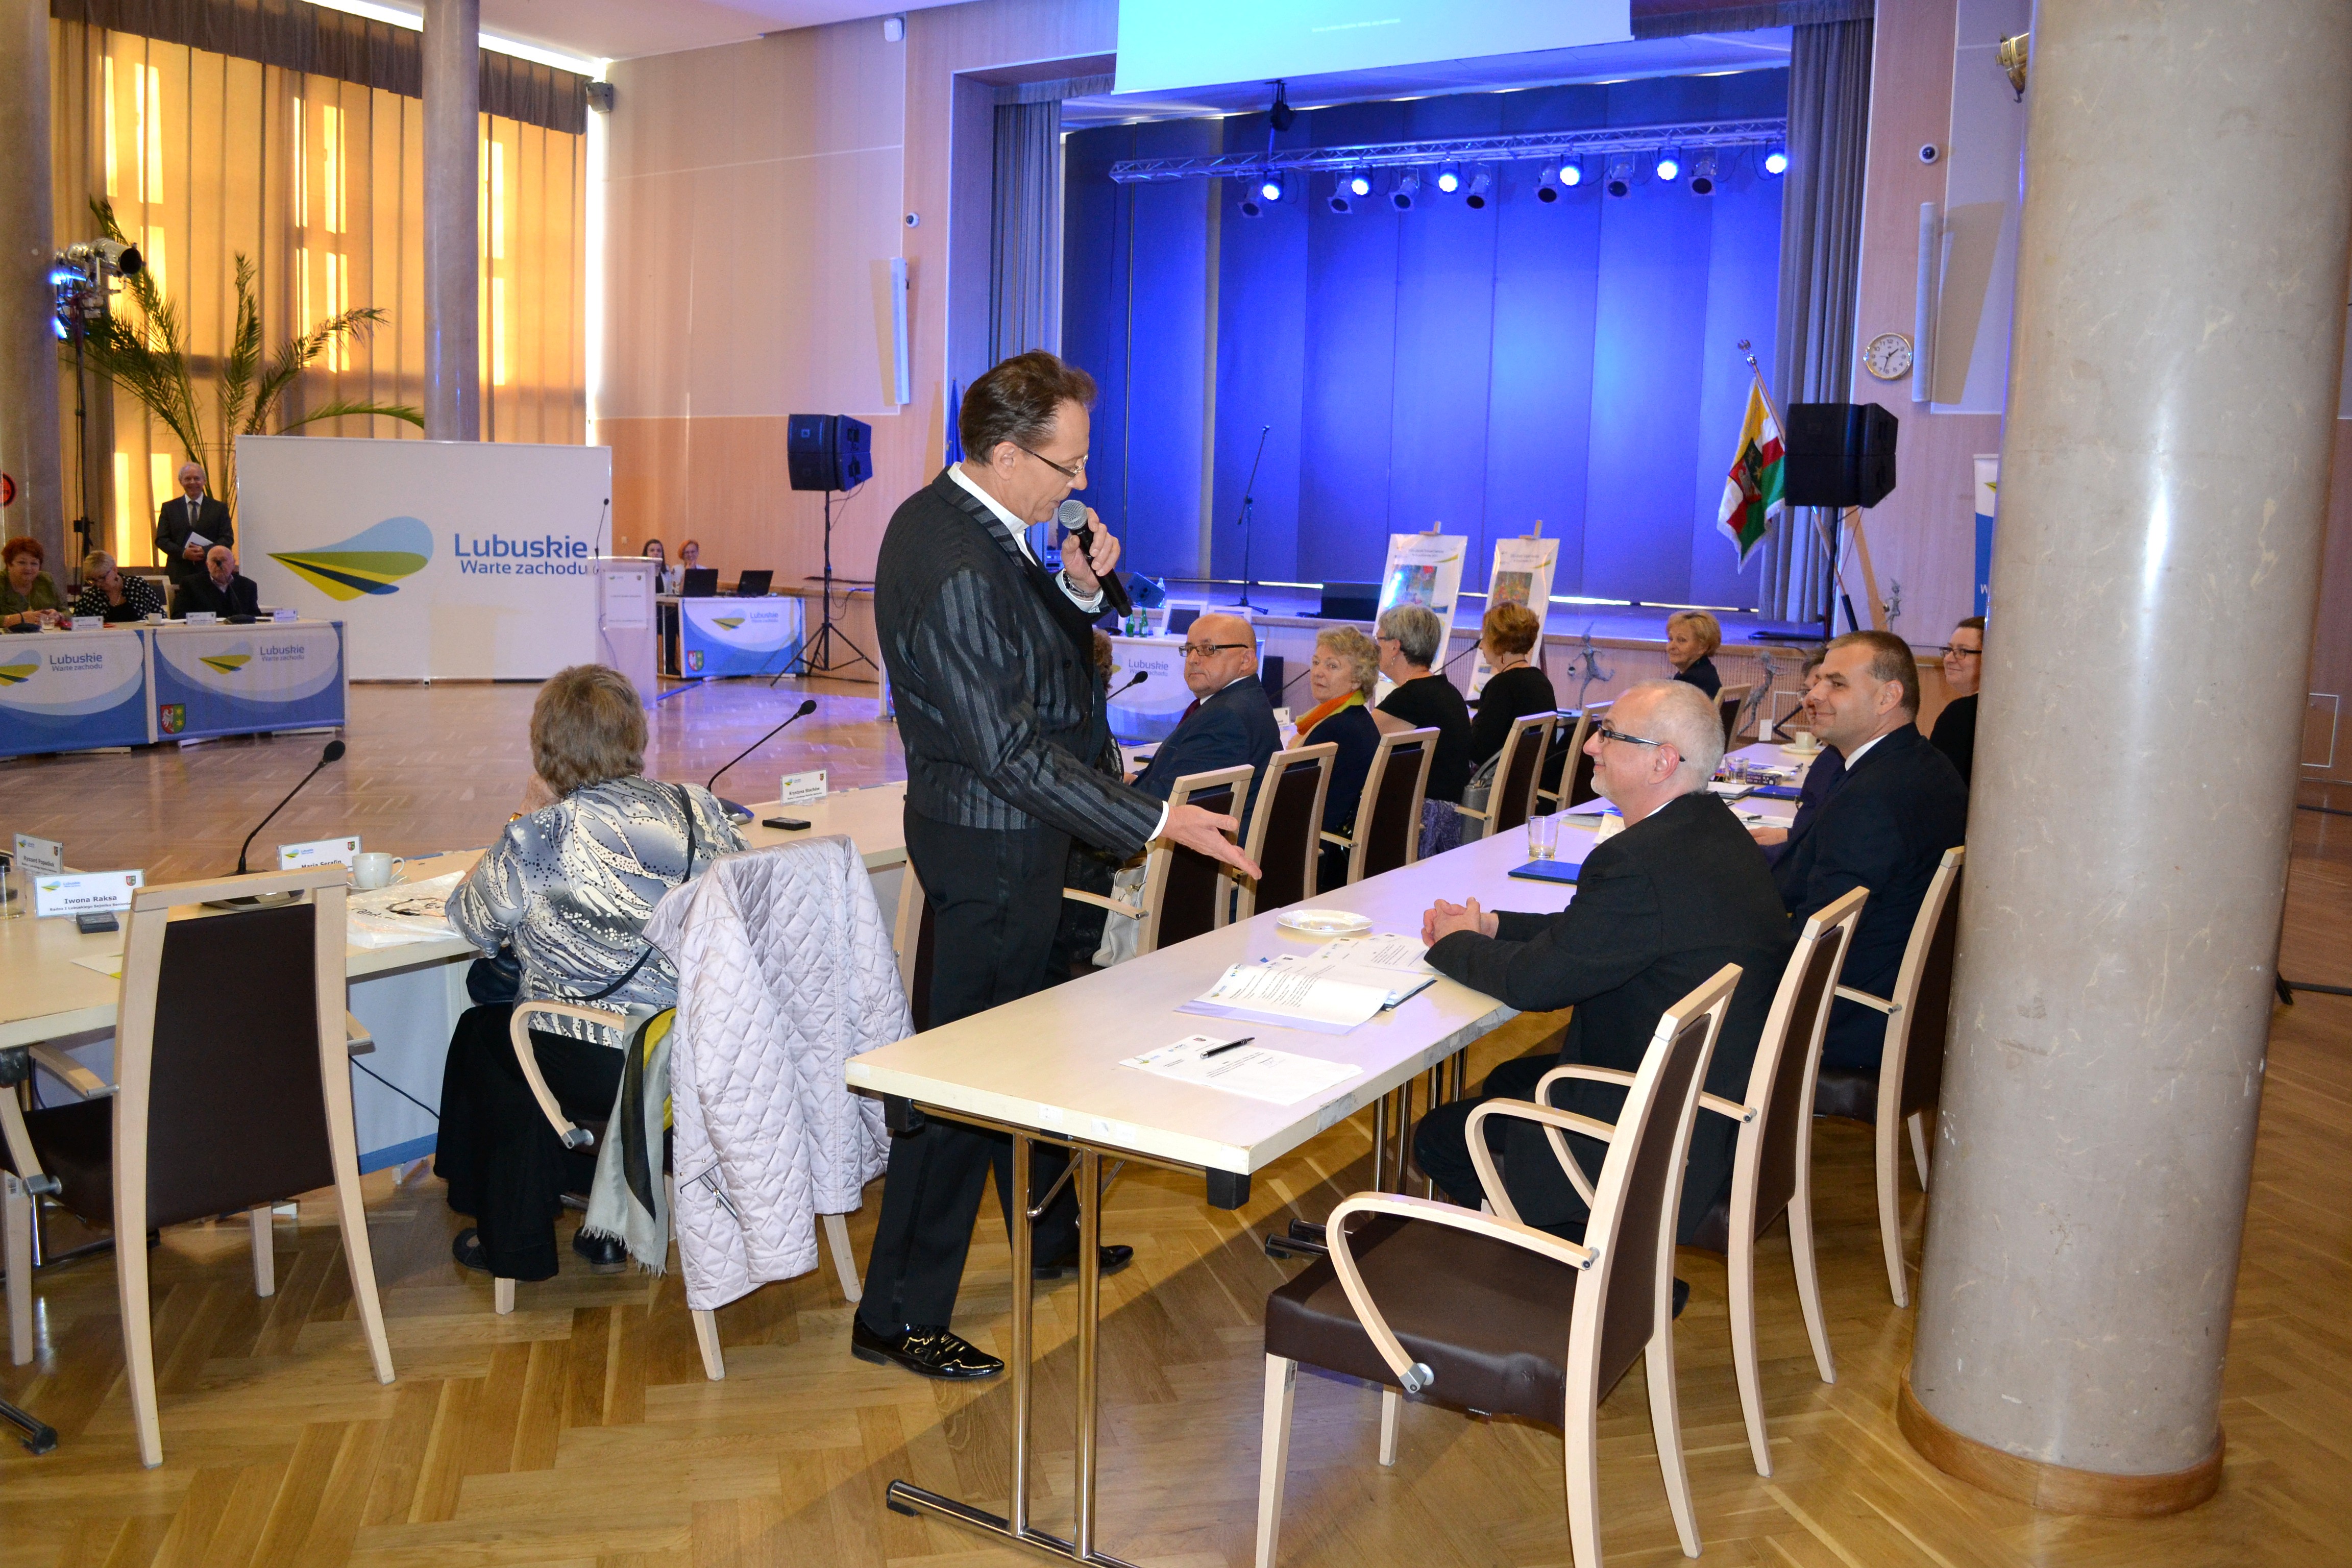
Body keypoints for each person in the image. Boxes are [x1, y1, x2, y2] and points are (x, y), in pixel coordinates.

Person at [860, 349, 1259, 1381]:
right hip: (993, 841)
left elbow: (1033, 669)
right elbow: (1005, 747)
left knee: (1029, 1057)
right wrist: (1154, 818)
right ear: (1005, 455)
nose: (1078, 483)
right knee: (962, 1082)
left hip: (1022, 835)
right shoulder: (950, 553)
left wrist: (1081, 592)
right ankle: (897, 1314)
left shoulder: (985, 530)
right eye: (1066, 465)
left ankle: (1044, 1236)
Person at [1409, 680, 1794, 1252]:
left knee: (1438, 1137)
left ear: (1663, 762)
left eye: (1610, 735)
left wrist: (1454, 943)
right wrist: (1491, 926)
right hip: (1704, 1095)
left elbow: (1536, 983)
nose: (1590, 745)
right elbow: (1592, 934)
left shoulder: (1636, 859)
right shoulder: (1711, 829)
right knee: (1509, 1080)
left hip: (1653, 1132)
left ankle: (1555, 1266)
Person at [436, 664, 746, 1284]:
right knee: (502, 1035)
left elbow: (471, 920)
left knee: (489, 1037)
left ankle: (516, 1243)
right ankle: (597, 1215)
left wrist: (523, 813)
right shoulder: (701, 809)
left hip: (613, 1062)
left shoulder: (540, 836)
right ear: (636, 735)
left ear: (545, 748)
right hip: (697, 1047)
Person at [1772, 630, 1969, 1071]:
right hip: (1881, 996)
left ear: (1888, 697)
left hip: (1845, 1016)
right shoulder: (1919, 764)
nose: (1814, 696)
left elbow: (1819, 934)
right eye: (1819, 681)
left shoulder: (1874, 795)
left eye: (1837, 684)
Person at [1131, 612, 1280, 818]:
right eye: (1189, 649)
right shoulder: (1243, 700)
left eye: (1208, 650)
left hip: (1195, 837)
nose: (1193, 659)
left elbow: (1166, 804)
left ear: (1246, 660)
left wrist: (1112, 796)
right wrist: (1135, 780)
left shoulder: (1226, 717)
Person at [1297, 625, 1383, 892]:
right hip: (1340, 847)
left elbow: (1293, 800)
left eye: (1332, 666)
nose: (1318, 672)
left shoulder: (1334, 730)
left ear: (1357, 680)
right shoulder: (1358, 718)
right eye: (1316, 662)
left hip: (1319, 854)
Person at [1749, 648, 1845, 866]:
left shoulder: (1843, 764)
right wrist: (1791, 836)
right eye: (1808, 690)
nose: (1811, 699)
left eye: (1833, 687)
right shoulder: (1831, 758)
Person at [1373, 603, 1474, 803]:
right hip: (1451, 811)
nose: (1376, 648)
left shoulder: (1408, 699)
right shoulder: (1448, 691)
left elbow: (1354, 743)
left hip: (1421, 814)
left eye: (1379, 640)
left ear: (1395, 646)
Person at [1467, 601, 1557, 767]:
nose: (1481, 646)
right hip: (1533, 775)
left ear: (1499, 642)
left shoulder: (1501, 686)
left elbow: (1478, 752)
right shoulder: (1542, 681)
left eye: (1485, 637)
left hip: (1502, 779)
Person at [155, 461, 232, 602]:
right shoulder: (169, 508)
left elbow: (227, 539)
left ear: (204, 481)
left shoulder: (219, 508)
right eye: (188, 479)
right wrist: (183, 553)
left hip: (210, 571)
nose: (192, 482)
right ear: (181, 482)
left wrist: (206, 551)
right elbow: (161, 539)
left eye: (197, 478)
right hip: (178, 572)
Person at [1931, 616, 1984, 785]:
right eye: (1949, 649)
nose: (1948, 659)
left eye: (1963, 651)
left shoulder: (1960, 714)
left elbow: (1938, 784)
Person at [70, 551, 166, 623]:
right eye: (93, 580)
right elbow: (76, 624)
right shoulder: (90, 597)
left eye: (102, 578)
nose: (99, 584)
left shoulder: (138, 585)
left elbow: (161, 616)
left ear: (114, 570)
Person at [174, 544, 260, 618]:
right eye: (214, 560)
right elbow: (178, 615)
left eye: (224, 560)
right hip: (205, 631)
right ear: (207, 565)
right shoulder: (191, 584)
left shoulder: (248, 586)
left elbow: (256, 616)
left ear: (233, 564)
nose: (219, 564)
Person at [2, 537, 65, 630]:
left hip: (47, 636)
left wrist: (59, 616)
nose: (28, 568)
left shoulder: (46, 580)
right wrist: (12, 620)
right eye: (22, 563)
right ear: (9, 564)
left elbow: (67, 612)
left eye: (34, 564)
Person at [1667, 609, 1723, 698]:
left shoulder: (1694, 681)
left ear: (1703, 647)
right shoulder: (1705, 670)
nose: (1671, 647)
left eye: (1682, 640)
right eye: (1671, 639)